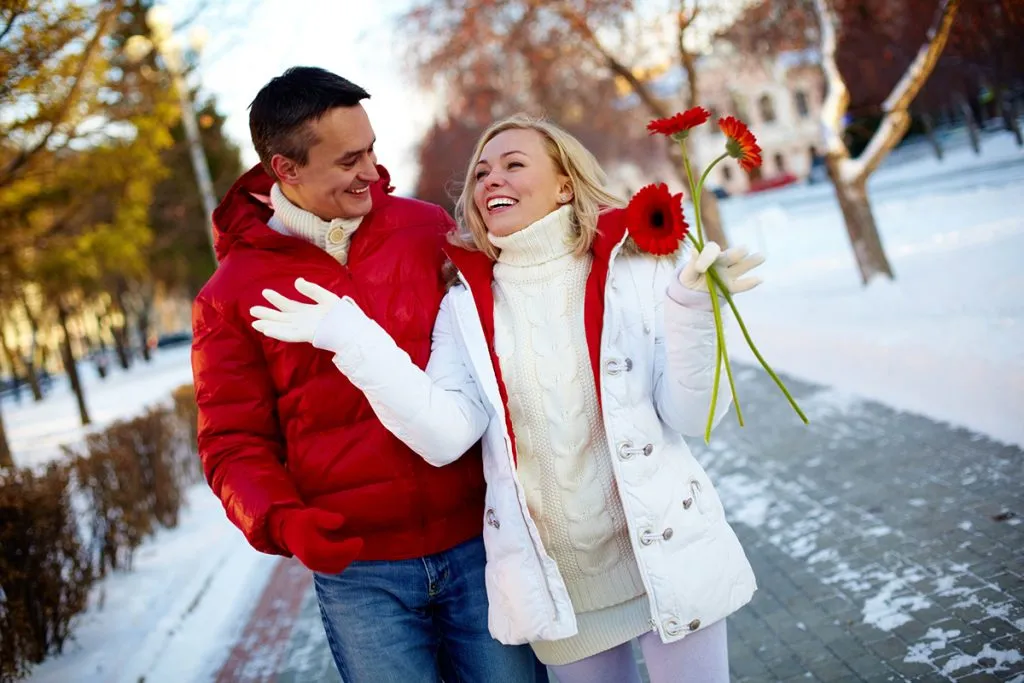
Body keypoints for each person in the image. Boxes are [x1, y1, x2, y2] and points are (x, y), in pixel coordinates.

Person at [253, 114, 763, 682]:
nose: (492, 179)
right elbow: (446, 436)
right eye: (481, 172)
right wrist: (352, 336)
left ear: (565, 183)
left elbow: (692, 414)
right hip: (563, 590)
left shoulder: (635, 267)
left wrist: (694, 312)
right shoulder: (465, 306)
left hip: (667, 554)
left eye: (514, 164)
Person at [190, 68, 540, 683]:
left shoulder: (426, 230)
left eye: (373, 150)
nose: (372, 172)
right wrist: (281, 520)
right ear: (286, 169)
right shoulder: (230, 295)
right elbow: (231, 443)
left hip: (481, 543)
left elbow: (529, 302)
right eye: (350, 160)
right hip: (362, 576)